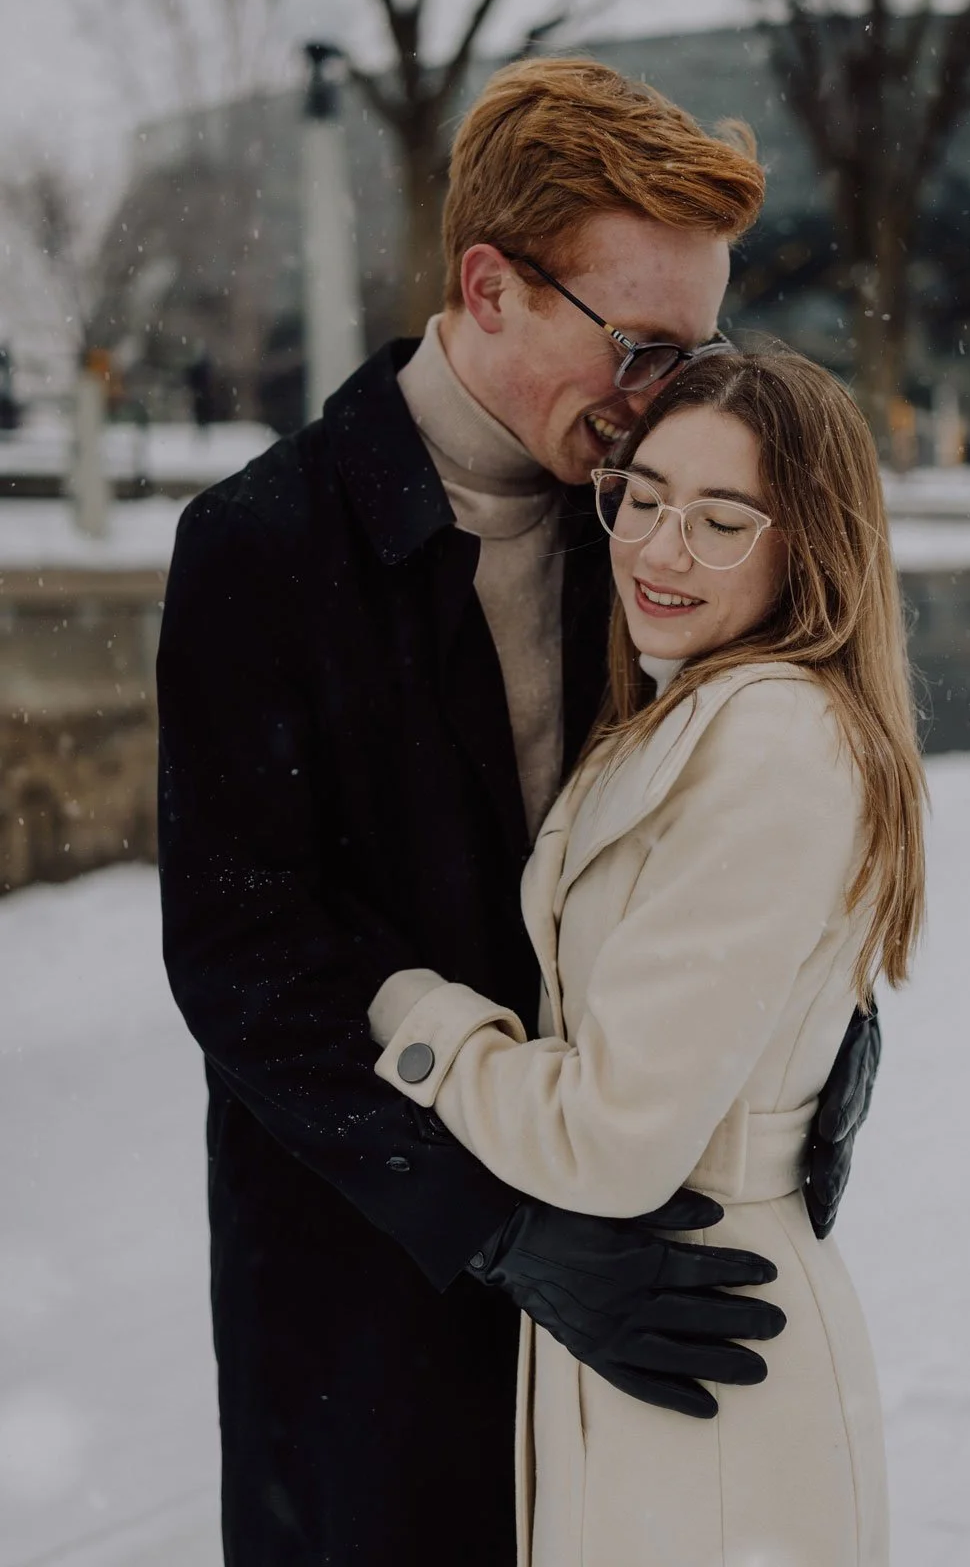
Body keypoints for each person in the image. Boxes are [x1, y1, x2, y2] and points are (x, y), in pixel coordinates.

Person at [157, 58, 879, 1566]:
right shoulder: (261, 546)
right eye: (640, 346)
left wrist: (828, 1038)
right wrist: (495, 1227)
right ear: (490, 288)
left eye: (697, 349)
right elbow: (245, 955)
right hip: (370, 1282)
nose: (665, 401)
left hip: (638, 1291)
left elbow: (770, 808)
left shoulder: (647, 531)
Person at [367, 348, 926, 1566]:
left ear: (808, 544)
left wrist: (420, 1023)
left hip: (706, 1357)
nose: (661, 551)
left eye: (722, 520)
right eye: (643, 498)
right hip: (664, 1342)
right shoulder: (693, 710)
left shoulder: (771, 736)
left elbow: (611, 1137)